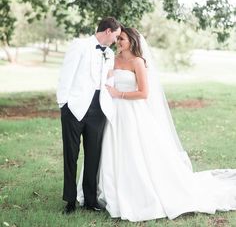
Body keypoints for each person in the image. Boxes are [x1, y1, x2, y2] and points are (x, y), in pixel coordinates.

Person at [78, 27, 236, 222]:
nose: (118, 42)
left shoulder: (138, 62)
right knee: (109, 151)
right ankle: (105, 191)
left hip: (132, 113)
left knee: (134, 152)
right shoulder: (112, 58)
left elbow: (144, 93)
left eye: (123, 39)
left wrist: (120, 94)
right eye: (118, 39)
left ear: (133, 41)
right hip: (112, 113)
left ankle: (136, 193)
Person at [56, 17, 121, 214]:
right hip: (74, 109)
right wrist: (64, 105)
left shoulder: (109, 53)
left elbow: (108, 81)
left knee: (93, 156)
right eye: (116, 36)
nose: (116, 41)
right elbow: (66, 74)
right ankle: (70, 201)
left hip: (98, 111)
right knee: (71, 156)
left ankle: (90, 200)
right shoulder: (80, 45)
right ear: (108, 31)